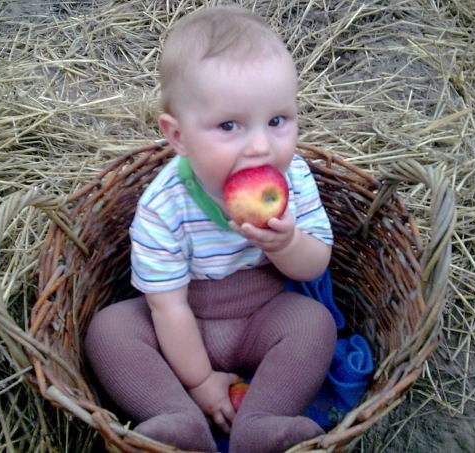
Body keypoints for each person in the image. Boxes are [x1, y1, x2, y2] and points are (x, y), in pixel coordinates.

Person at [85, 6, 337, 452]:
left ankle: (261, 423)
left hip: (261, 316)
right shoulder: (164, 205)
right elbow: (167, 307)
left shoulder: (293, 179)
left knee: (314, 324)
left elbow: (314, 265)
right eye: (229, 125)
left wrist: (287, 243)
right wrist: (200, 382)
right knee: (109, 331)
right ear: (178, 136)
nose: (261, 146)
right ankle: (179, 422)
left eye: (277, 121)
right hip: (183, 323)